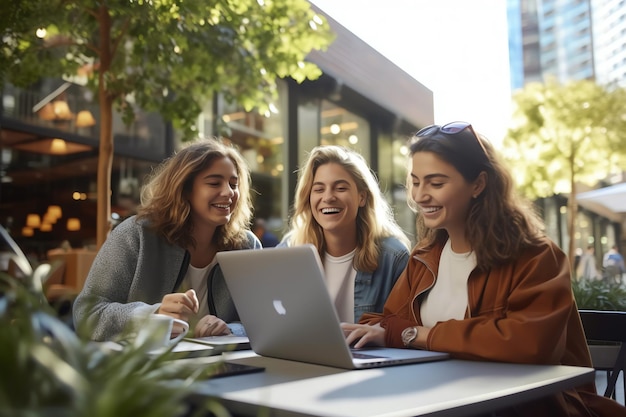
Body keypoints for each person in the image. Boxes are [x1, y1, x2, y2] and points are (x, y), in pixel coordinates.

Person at [342, 122, 626, 416]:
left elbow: (527, 344)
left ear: (478, 184)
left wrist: (420, 335)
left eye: (436, 183)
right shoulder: (425, 257)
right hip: (443, 400)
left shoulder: (536, 256)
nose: (420, 195)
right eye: (416, 182)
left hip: (524, 409)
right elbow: (390, 323)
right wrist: (376, 331)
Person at [73, 138, 261, 341]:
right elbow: (86, 314)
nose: (229, 193)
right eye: (214, 183)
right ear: (185, 189)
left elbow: (263, 319)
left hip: (224, 365)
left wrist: (230, 330)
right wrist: (151, 316)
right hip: (144, 368)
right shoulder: (136, 235)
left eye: (234, 184)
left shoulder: (247, 246)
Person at [278, 145, 411, 323]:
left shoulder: (394, 258)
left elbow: (405, 330)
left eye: (340, 188)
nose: (328, 197)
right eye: (318, 189)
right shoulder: (290, 249)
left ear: (362, 197)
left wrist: (382, 332)